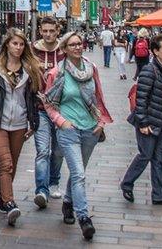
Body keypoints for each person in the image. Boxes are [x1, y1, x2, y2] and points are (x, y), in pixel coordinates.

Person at [44, 31, 113, 241]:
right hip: (68, 129)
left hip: (90, 129)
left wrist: (101, 122)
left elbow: (98, 97)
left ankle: (67, 203)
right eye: (72, 45)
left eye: (79, 44)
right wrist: (61, 121)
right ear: (64, 49)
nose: (77, 47)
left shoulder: (91, 69)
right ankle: (83, 217)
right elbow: (48, 102)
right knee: (79, 174)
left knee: (77, 173)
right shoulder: (57, 72)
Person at [0, 28, 43, 226]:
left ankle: (3, 196)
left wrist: (34, 121)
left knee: (12, 164)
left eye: (21, 44)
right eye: (15, 44)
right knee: (6, 164)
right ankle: (11, 203)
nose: (18, 48)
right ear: (7, 45)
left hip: (20, 124)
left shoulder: (29, 69)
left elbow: (32, 97)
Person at [120, 34, 162, 207]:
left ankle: (160, 195)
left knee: (159, 159)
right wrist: (144, 123)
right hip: (149, 122)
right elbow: (141, 99)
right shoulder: (149, 70)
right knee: (145, 155)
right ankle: (127, 183)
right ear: (155, 51)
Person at [32, 16, 66, 207]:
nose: (48, 34)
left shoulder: (64, 51)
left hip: (61, 109)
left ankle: (54, 181)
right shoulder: (33, 50)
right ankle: (41, 190)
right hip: (40, 108)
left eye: (51, 31)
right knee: (43, 151)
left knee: (59, 150)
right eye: (45, 31)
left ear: (57, 31)